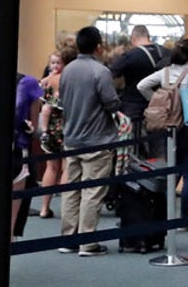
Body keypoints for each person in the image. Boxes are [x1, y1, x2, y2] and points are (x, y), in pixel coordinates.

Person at [58, 26, 121, 256]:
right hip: (97, 140)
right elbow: (111, 103)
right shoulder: (100, 71)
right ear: (98, 46)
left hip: (72, 138)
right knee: (92, 191)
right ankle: (87, 241)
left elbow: (62, 101)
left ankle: (68, 238)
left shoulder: (67, 70)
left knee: (71, 190)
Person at [137, 38, 188, 223]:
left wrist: (156, 100)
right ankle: (185, 220)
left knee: (171, 172)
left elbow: (141, 85)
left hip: (168, 128)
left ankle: (165, 215)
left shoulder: (165, 72)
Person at [109, 25, 168, 139]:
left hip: (133, 105)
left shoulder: (130, 55)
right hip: (160, 106)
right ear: (148, 36)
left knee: (132, 139)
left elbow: (111, 74)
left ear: (133, 39)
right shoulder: (166, 53)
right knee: (158, 140)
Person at [38, 46, 76, 218]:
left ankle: (44, 207)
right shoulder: (68, 79)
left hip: (50, 128)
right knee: (67, 166)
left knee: (51, 167)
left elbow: (44, 104)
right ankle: (66, 209)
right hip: (68, 126)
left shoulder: (48, 80)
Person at [11, 71, 44, 238]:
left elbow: (34, 127)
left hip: (12, 150)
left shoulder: (28, 83)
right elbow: (34, 127)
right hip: (17, 149)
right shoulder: (29, 83)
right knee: (9, 218)